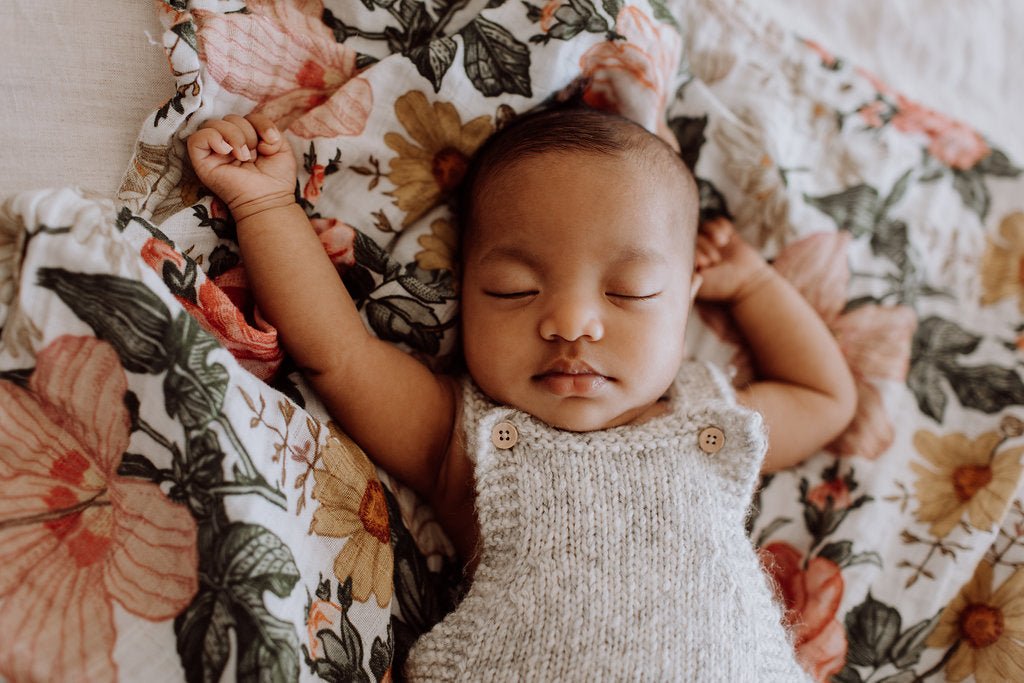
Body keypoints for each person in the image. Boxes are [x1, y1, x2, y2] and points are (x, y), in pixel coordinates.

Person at [187, 105, 855, 680]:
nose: (570, 322)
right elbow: (340, 353)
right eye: (513, 289)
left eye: (629, 292)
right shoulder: (467, 436)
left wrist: (756, 286)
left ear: (683, 303)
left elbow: (824, 397)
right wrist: (265, 203)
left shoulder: (710, 419)